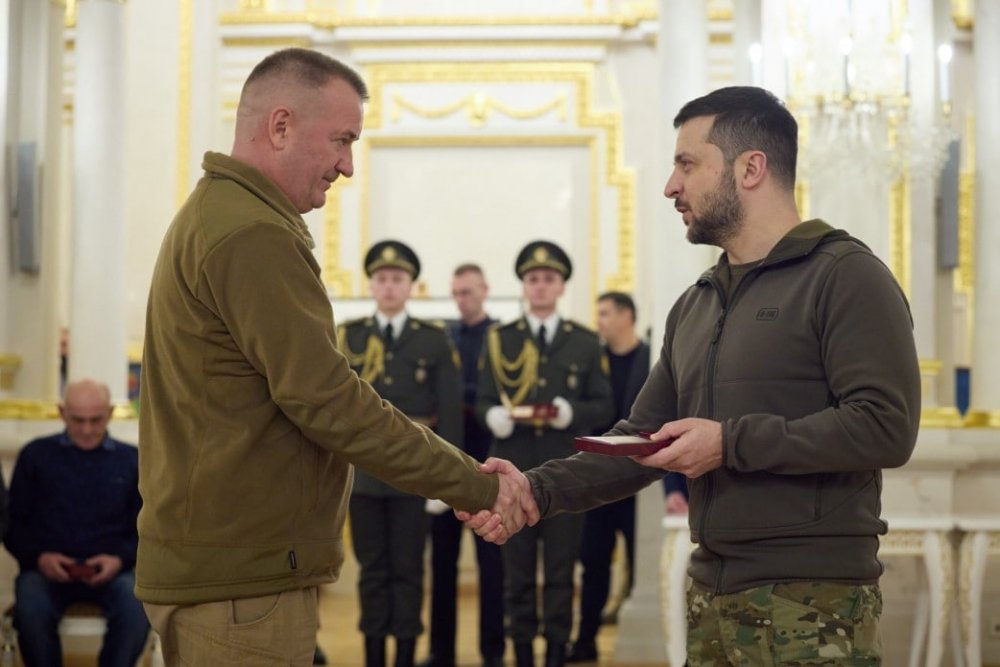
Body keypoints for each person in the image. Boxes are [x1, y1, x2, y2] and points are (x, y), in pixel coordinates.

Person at [463, 86, 921, 665]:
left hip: (814, 599)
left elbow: (885, 426)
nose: (670, 186)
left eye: (687, 164)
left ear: (750, 168)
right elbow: (641, 439)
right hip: (711, 596)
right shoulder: (697, 302)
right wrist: (535, 490)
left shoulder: (845, 276)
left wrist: (730, 442)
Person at [136, 47, 535, 665]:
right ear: (281, 126)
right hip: (241, 580)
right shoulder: (253, 232)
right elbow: (327, 400)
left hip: (230, 564)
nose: (347, 166)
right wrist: (473, 485)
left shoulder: (224, 214)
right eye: (342, 140)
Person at [476, 241, 614, 667]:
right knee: (516, 575)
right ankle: (521, 654)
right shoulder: (499, 339)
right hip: (512, 469)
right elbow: (482, 400)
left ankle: (555, 653)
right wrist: (492, 415)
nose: (540, 286)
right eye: (533, 279)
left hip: (564, 472)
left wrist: (572, 413)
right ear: (524, 286)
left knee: (560, 572)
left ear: (561, 287)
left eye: (548, 279)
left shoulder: (585, 342)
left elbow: (604, 405)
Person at [337, 240, 463, 667]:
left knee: (409, 571)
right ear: (371, 285)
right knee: (372, 571)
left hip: (415, 473)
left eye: (398, 279)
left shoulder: (432, 339)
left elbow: (449, 413)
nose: (389, 286)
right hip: (364, 474)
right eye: (382, 278)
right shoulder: (349, 336)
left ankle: (406, 655)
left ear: (411, 287)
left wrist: (445, 482)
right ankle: (374, 655)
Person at [566, 291, 687, 663]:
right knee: (593, 560)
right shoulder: (593, 360)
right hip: (599, 475)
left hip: (640, 480)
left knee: (641, 561)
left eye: (605, 313)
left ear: (626, 316)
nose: (599, 321)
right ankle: (585, 639)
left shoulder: (649, 359)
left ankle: (641, 636)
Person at [4, 379, 149, 667]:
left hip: (115, 571)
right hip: (44, 570)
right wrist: (39, 558)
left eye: (96, 420)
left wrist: (120, 559)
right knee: (31, 607)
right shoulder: (35, 455)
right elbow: (13, 523)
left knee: (136, 607)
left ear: (110, 414)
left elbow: (145, 528)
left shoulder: (132, 460)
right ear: (62, 413)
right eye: (78, 420)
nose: (86, 430)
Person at [420, 264, 505, 667]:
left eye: (467, 292)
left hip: (487, 459)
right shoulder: (444, 337)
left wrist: (459, 402)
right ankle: (441, 652)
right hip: (446, 460)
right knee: (441, 562)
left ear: (484, 290)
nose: (461, 300)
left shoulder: (500, 337)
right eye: (455, 293)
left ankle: (493, 651)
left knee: (493, 563)